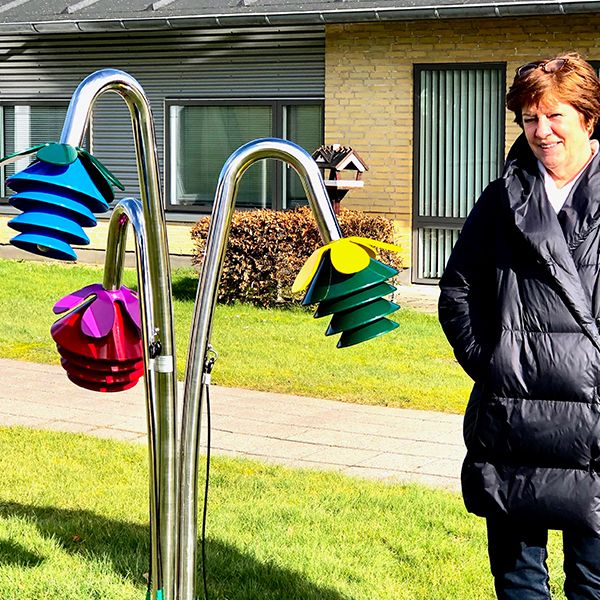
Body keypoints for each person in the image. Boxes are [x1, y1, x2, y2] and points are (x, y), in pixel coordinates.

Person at [438, 52, 600, 599]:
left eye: (555, 116)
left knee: (593, 582)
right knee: (517, 578)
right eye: (530, 118)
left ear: (588, 116)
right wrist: (494, 361)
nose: (541, 131)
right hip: (513, 417)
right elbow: (458, 290)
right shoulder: (502, 198)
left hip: (594, 423)